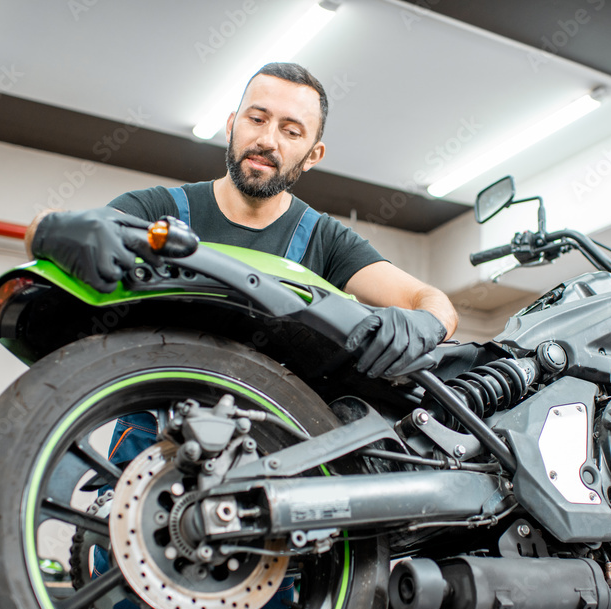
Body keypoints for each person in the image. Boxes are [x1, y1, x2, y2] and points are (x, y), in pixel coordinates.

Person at [25, 61, 458, 379]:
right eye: (256, 119)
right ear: (232, 125)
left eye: (291, 131)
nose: (267, 140)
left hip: (272, 448)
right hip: (150, 438)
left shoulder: (325, 240)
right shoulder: (163, 208)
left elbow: (430, 298)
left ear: (313, 155)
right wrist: (52, 229)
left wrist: (426, 323)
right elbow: (56, 227)